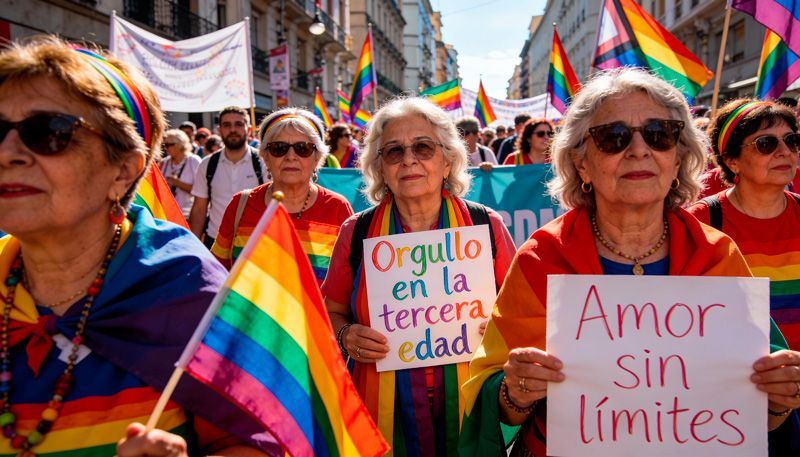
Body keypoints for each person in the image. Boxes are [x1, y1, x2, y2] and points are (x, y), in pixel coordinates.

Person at [459, 68, 800, 456]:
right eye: (613, 137)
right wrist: (515, 391)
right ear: (582, 163)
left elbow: (764, 411)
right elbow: (492, 402)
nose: (639, 150)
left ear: (678, 159)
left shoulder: (717, 255)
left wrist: (779, 397)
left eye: (659, 134)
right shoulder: (543, 257)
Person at [0, 37, 276, 456]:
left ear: (123, 171)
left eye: (49, 132)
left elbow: (258, 444)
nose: (7, 153)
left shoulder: (189, 291)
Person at [322, 97, 517, 456]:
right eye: (394, 151)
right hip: (381, 410)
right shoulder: (356, 232)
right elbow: (330, 312)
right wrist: (346, 335)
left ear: (447, 161)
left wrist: (498, 327)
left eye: (423, 147)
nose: (409, 160)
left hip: (470, 403)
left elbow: (520, 311)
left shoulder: (485, 225)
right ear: (380, 168)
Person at [689, 99, 800, 350]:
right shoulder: (700, 222)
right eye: (766, 143)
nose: (785, 151)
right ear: (732, 161)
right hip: (738, 370)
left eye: (791, 140)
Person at [211, 108, 353, 286]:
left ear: (317, 158)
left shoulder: (337, 208)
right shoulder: (240, 204)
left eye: (303, 148)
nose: (290, 156)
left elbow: (350, 282)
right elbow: (216, 275)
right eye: (279, 148)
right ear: (265, 157)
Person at [188, 106, 266, 249]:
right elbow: (199, 209)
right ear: (219, 130)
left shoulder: (264, 162)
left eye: (238, 124)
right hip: (215, 242)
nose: (233, 130)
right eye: (227, 125)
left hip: (255, 244)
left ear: (249, 129)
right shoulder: (207, 164)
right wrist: (193, 248)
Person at [159, 128, 201, 220]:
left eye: (170, 145)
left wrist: (178, 183)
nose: (166, 148)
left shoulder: (193, 161)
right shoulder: (164, 163)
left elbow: (201, 191)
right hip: (167, 214)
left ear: (180, 144)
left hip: (187, 215)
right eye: (165, 145)